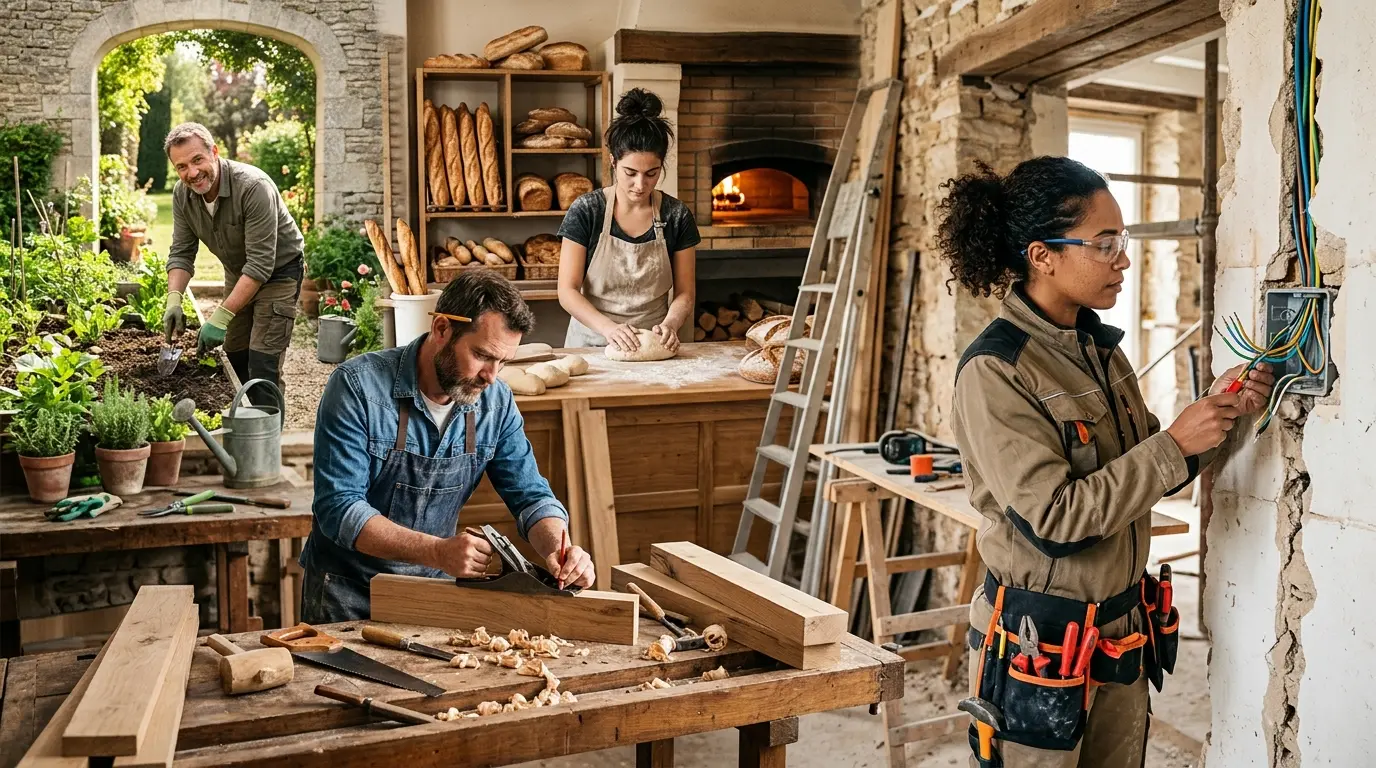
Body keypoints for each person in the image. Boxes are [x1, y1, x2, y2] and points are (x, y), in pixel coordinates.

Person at [938, 157, 1274, 768]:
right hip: (1039, 644)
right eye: (1105, 243)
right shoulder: (996, 370)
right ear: (1042, 255)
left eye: (1124, 240)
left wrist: (1219, 413)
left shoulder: (1099, 352)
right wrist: (1174, 442)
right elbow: (1056, 520)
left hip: (1120, 632)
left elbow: (1146, 470)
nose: (1123, 259)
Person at [300, 270, 595, 622]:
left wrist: (558, 548)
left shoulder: (496, 402)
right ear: (442, 329)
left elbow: (531, 496)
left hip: (434, 593)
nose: (492, 376)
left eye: (503, 362)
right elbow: (340, 509)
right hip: (348, 592)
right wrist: (438, 552)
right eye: (483, 355)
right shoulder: (356, 388)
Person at [161, 122, 305, 397]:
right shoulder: (183, 195)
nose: (192, 173)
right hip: (239, 272)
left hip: (279, 272)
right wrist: (174, 299)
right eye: (181, 167)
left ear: (214, 152)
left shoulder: (253, 187)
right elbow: (181, 252)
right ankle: (245, 425)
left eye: (197, 160)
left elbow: (261, 264)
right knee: (235, 355)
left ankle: (266, 437)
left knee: (263, 364)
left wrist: (221, 316)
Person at [557, 88, 700, 352]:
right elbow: (567, 291)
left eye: (651, 173)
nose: (640, 184)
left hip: (654, 343)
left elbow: (685, 293)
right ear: (612, 161)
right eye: (630, 172)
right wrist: (609, 329)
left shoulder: (676, 215)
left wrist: (671, 324)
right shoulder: (588, 211)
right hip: (593, 344)